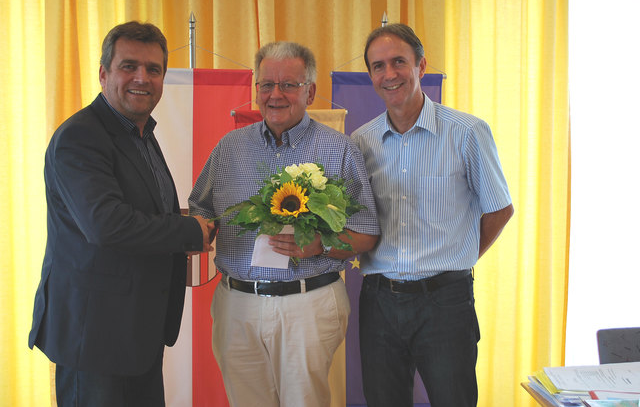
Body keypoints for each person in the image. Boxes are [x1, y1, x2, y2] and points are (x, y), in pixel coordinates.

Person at [28, 21, 215, 407]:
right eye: (129, 66)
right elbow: (106, 224)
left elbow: (141, 211)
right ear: (103, 73)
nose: (141, 78)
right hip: (95, 338)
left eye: (154, 69)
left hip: (135, 333)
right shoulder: (80, 137)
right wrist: (190, 232)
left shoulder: (140, 134)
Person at [189, 41, 380, 407]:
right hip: (237, 305)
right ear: (256, 90)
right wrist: (201, 228)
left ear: (309, 91)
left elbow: (367, 231)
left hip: (308, 303)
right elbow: (200, 206)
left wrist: (321, 244)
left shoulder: (339, 149)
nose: (275, 94)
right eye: (266, 85)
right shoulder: (229, 148)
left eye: (288, 85)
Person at [351, 23, 514, 407]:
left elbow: (500, 209)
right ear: (371, 76)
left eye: (398, 62)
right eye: (378, 66)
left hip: (445, 303)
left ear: (421, 65)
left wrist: (460, 258)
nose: (389, 74)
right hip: (379, 304)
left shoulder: (468, 132)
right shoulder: (360, 142)